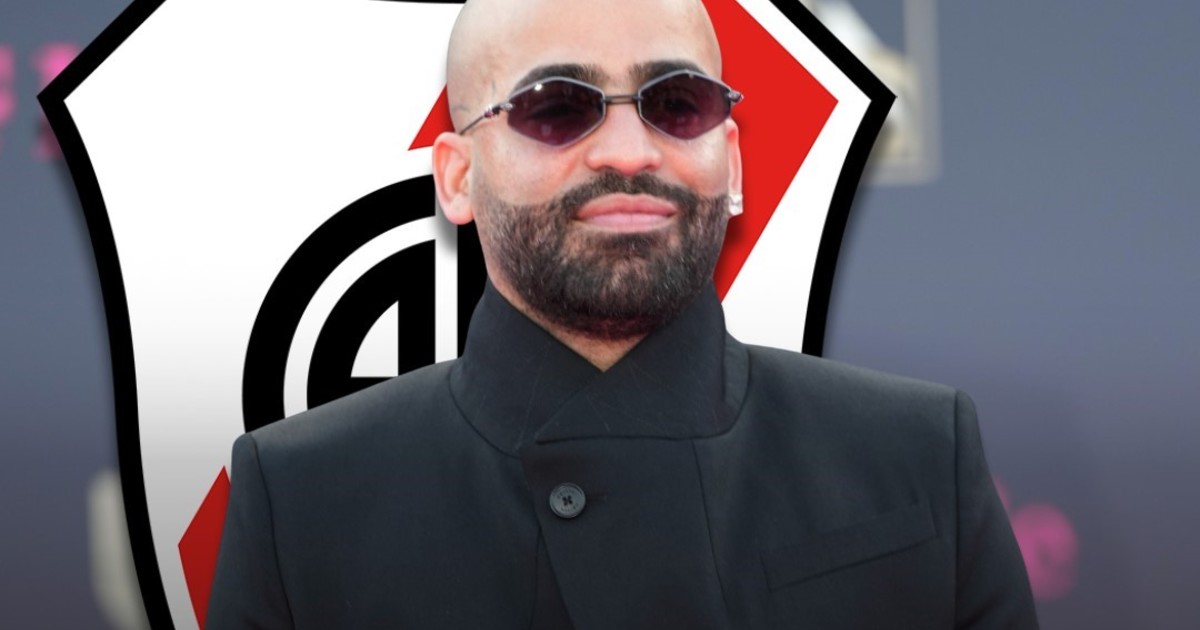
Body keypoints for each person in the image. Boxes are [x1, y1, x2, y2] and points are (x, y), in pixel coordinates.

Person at [207, 0, 1038, 627]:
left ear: (732, 162)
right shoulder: (303, 498)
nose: (631, 152)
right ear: (458, 178)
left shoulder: (918, 453)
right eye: (556, 107)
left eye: (676, 103)